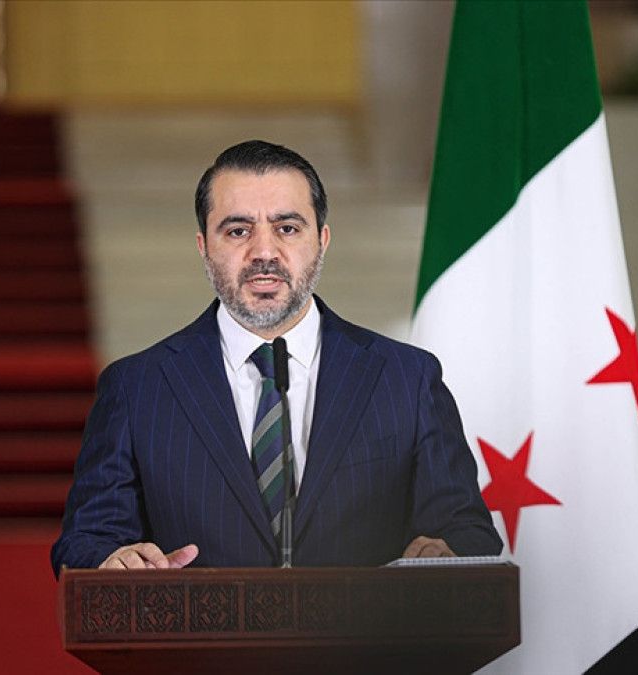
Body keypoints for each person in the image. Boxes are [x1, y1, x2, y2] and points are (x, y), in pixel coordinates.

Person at [51, 140, 501, 573]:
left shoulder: (408, 378)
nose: (264, 252)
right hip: (204, 629)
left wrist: (447, 550)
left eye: (287, 228)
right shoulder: (137, 388)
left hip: (365, 627)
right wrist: (115, 559)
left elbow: (468, 532)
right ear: (204, 246)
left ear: (322, 239)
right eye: (238, 231)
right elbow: (86, 540)